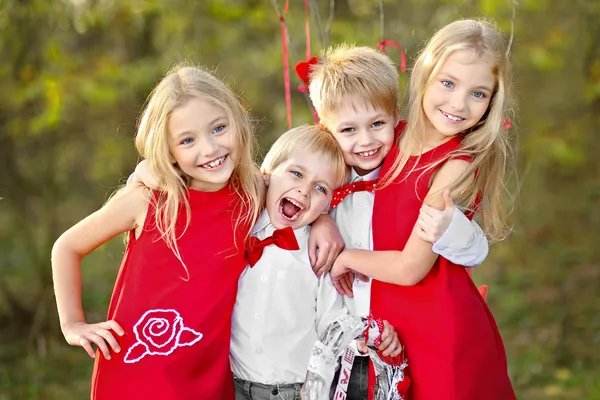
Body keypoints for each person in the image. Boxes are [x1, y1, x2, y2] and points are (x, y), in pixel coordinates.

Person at [51, 64, 265, 399]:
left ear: (238, 124)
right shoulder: (148, 198)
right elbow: (67, 247)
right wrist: (73, 324)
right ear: (169, 151)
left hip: (210, 376)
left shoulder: (254, 192)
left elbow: (304, 194)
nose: (209, 149)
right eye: (187, 140)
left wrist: (323, 222)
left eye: (219, 128)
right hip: (136, 375)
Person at [328, 20, 517, 399]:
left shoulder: (455, 164)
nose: (458, 104)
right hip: (390, 332)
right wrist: (320, 222)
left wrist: (345, 257)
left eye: (478, 93)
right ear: (426, 74)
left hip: (440, 332)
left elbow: (410, 268)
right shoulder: (386, 134)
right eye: (448, 83)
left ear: (492, 101)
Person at [229, 124, 400, 400]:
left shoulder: (319, 255)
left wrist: (369, 338)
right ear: (267, 175)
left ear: (330, 203)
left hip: (294, 391)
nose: (304, 190)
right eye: (296, 173)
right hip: (233, 386)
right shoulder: (238, 228)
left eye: (320, 188)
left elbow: (333, 324)